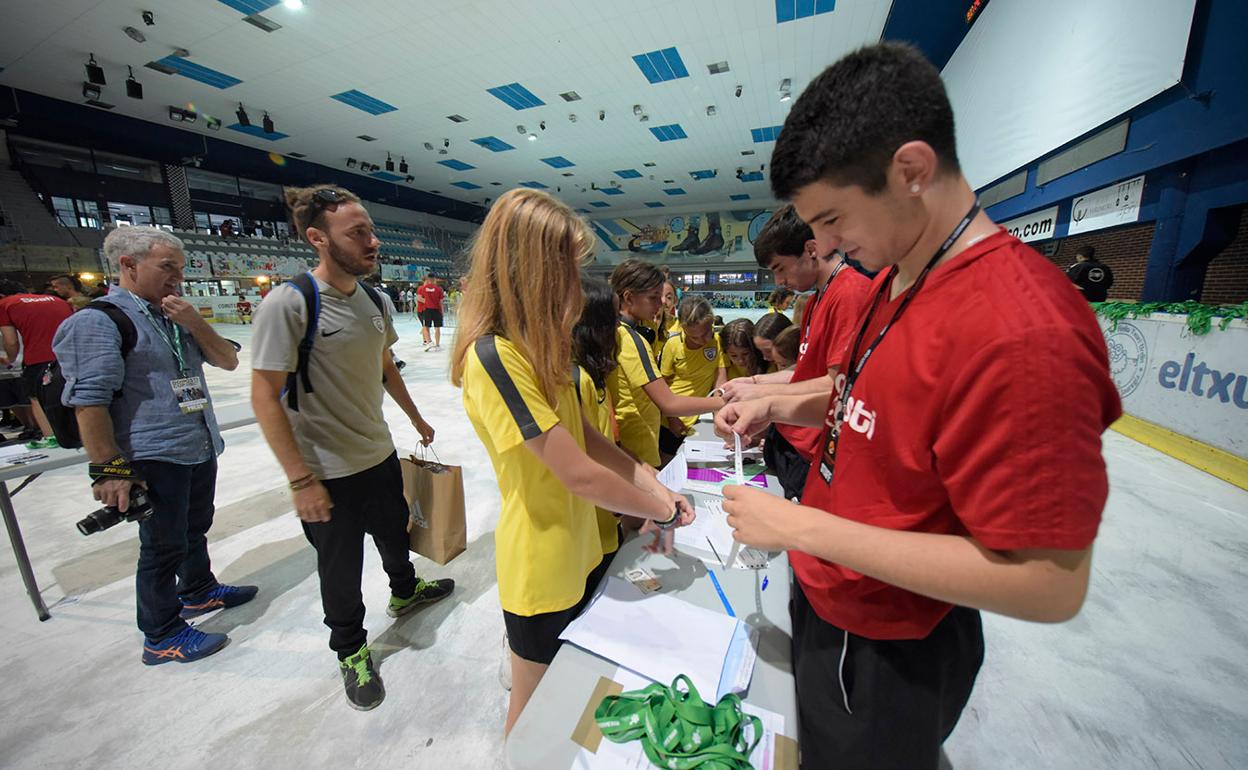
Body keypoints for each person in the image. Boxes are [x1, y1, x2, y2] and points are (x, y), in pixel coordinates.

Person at [715, 42, 1121, 769]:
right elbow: (861, 401)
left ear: (911, 170)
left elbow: (1049, 583)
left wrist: (801, 523)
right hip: (831, 598)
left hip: (888, 644)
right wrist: (778, 408)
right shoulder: (896, 277)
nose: (828, 246)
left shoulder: (1023, 331)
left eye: (834, 219)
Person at [450, 188, 694, 735]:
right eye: (565, 263)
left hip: (584, 547)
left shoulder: (543, 346)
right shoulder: (494, 357)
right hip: (543, 565)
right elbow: (577, 472)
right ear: (531, 267)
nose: (574, 278)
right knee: (535, 716)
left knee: (577, 701)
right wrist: (664, 511)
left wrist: (651, 484)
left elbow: (590, 442)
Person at [251, 185, 453, 711]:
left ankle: (404, 591)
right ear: (318, 238)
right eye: (358, 232)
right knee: (338, 570)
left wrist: (414, 416)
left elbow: (385, 367)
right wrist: (301, 480)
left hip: (378, 453)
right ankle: (351, 650)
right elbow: (263, 397)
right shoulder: (290, 302)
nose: (373, 241)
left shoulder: (374, 299)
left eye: (371, 229)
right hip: (325, 471)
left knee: (395, 531)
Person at [52, 227, 255, 665]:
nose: (177, 278)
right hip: (151, 451)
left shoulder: (173, 315)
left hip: (196, 441)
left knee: (194, 526)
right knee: (162, 545)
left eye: (180, 269)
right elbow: (89, 401)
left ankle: (198, 590)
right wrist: (109, 469)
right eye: (167, 267)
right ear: (128, 265)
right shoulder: (98, 321)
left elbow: (228, 359)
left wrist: (195, 322)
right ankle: (161, 633)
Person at [722, 205, 872, 500]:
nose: (778, 282)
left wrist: (764, 400)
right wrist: (753, 383)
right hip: (794, 439)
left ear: (811, 249)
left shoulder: (849, 294)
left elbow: (837, 386)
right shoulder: (817, 298)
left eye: (780, 268)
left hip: (817, 447)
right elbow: (805, 373)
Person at [608, 258, 725, 467]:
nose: (661, 303)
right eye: (653, 297)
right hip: (638, 443)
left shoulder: (618, 332)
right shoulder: (631, 340)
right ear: (628, 297)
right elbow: (669, 404)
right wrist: (727, 402)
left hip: (630, 440)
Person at [0, 279, 73, 448]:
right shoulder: (56, 300)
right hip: (69, 354)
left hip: (38, 358)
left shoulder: (5, 304)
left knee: (36, 398)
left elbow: (10, 341)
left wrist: (10, 359)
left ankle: (51, 437)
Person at [658, 295, 722, 456]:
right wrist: (671, 417)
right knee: (670, 463)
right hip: (670, 421)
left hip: (697, 419)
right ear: (682, 328)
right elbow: (662, 386)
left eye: (707, 332)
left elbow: (720, 382)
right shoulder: (673, 345)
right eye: (694, 336)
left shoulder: (717, 342)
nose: (703, 340)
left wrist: (719, 418)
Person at [418, 273, 445, 351]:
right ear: (434, 279)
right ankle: (437, 344)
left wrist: (427, 302)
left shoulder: (422, 288)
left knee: (426, 327)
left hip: (427, 309)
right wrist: (442, 312)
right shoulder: (439, 289)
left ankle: (428, 342)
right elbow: (441, 302)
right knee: (437, 328)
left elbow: (419, 298)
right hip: (436, 309)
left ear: (428, 279)